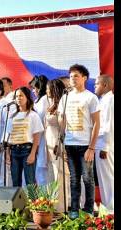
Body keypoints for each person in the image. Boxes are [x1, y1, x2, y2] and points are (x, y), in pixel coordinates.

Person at [58, 64, 100, 219]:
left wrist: (92, 147)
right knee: (74, 179)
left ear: (84, 78)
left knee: (88, 178)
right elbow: (63, 121)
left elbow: (96, 123)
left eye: (76, 76)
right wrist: (61, 143)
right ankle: (74, 210)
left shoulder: (91, 97)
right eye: (70, 76)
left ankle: (88, 210)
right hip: (69, 144)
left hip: (85, 145)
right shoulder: (66, 97)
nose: (72, 79)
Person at [5, 87, 44, 187]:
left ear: (27, 97)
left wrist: (32, 154)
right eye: (17, 96)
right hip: (14, 151)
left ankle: (34, 202)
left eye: (21, 96)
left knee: (30, 181)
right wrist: (7, 153)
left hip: (27, 150)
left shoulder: (33, 115)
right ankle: (18, 203)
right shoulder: (12, 116)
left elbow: (36, 137)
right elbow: (9, 136)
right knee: (15, 182)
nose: (19, 98)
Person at [44, 79, 70, 212]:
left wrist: (59, 143)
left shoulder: (63, 104)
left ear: (54, 89)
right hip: (48, 142)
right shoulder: (52, 104)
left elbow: (63, 127)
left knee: (60, 174)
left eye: (48, 88)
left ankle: (62, 207)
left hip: (57, 143)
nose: (46, 90)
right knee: (52, 175)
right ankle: (54, 205)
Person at [94, 74, 113, 212]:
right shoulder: (103, 100)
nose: (95, 86)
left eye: (96, 84)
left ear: (105, 85)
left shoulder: (110, 100)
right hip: (100, 143)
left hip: (105, 145)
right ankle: (108, 209)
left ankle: (111, 210)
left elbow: (108, 124)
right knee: (103, 179)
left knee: (108, 178)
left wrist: (105, 146)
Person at [29, 75, 50, 185]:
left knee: (42, 171)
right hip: (35, 140)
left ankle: (45, 200)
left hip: (43, 139)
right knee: (38, 171)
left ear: (40, 87)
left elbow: (40, 120)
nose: (33, 91)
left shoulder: (45, 100)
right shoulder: (37, 100)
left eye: (34, 88)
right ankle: (41, 199)